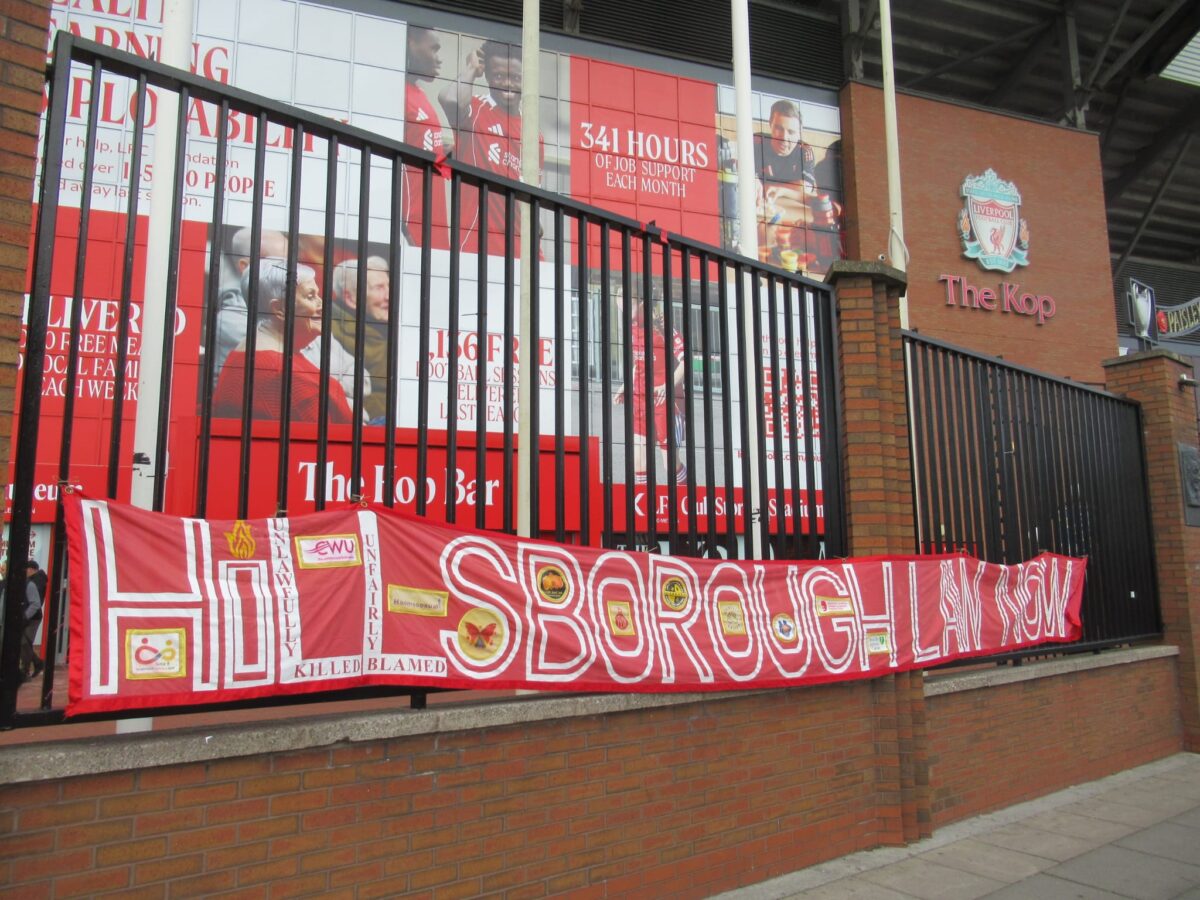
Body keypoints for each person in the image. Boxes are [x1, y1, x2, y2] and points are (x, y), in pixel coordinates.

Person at [214, 259, 355, 424]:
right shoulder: (288, 379)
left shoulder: (247, 351)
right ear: (279, 309)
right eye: (311, 296)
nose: (321, 304)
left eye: (318, 295)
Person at [440, 40, 541, 254]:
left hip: (522, 254)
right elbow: (450, 100)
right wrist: (471, 69)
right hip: (477, 248)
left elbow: (531, 201)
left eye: (515, 78)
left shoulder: (534, 136)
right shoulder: (476, 109)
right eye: (498, 76)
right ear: (486, 76)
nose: (507, 84)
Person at [752, 100, 839, 272]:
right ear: (770, 124)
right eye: (779, 128)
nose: (784, 137)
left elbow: (806, 187)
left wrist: (780, 189)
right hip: (760, 214)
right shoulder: (756, 141)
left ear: (799, 133)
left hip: (791, 220)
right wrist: (753, 179)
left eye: (791, 132)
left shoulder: (804, 150)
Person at [616, 295, 688, 484]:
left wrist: (668, 386)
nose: (623, 311)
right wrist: (626, 385)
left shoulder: (664, 329)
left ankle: (685, 501)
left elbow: (685, 362)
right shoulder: (631, 330)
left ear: (641, 303)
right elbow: (639, 365)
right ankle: (643, 510)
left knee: (670, 465)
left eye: (626, 306)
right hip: (641, 403)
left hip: (666, 405)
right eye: (620, 306)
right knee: (639, 463)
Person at [211, 228, 289, 389]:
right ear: (245, 266)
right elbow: (305, 365)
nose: (291, 273)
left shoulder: (301, 306)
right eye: (279, 265)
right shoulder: (230, 320)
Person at [403, 25, 451, 248]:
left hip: (434, 226)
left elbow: (430, 155)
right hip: (412, 228)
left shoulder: (419, 94)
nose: (439, 59)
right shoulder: (397, 94)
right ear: (411, 43)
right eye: (434, 49)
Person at [329, 256, 390, 423]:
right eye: (379, 288)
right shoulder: (330, 333)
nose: (388, 296)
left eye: (389, 286)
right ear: (351, 298)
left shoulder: (384, 323)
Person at [20, 560, 46, 681]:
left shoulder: (36, 580)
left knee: (24, 642)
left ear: (32, 569)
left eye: (27, 569)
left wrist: (25, 616)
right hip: (29, 614)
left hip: (33, 617)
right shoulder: (34, 580)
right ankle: (36, 664)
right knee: (24, 642)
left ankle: (25, 671)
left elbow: (36, 602)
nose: (26, 572)